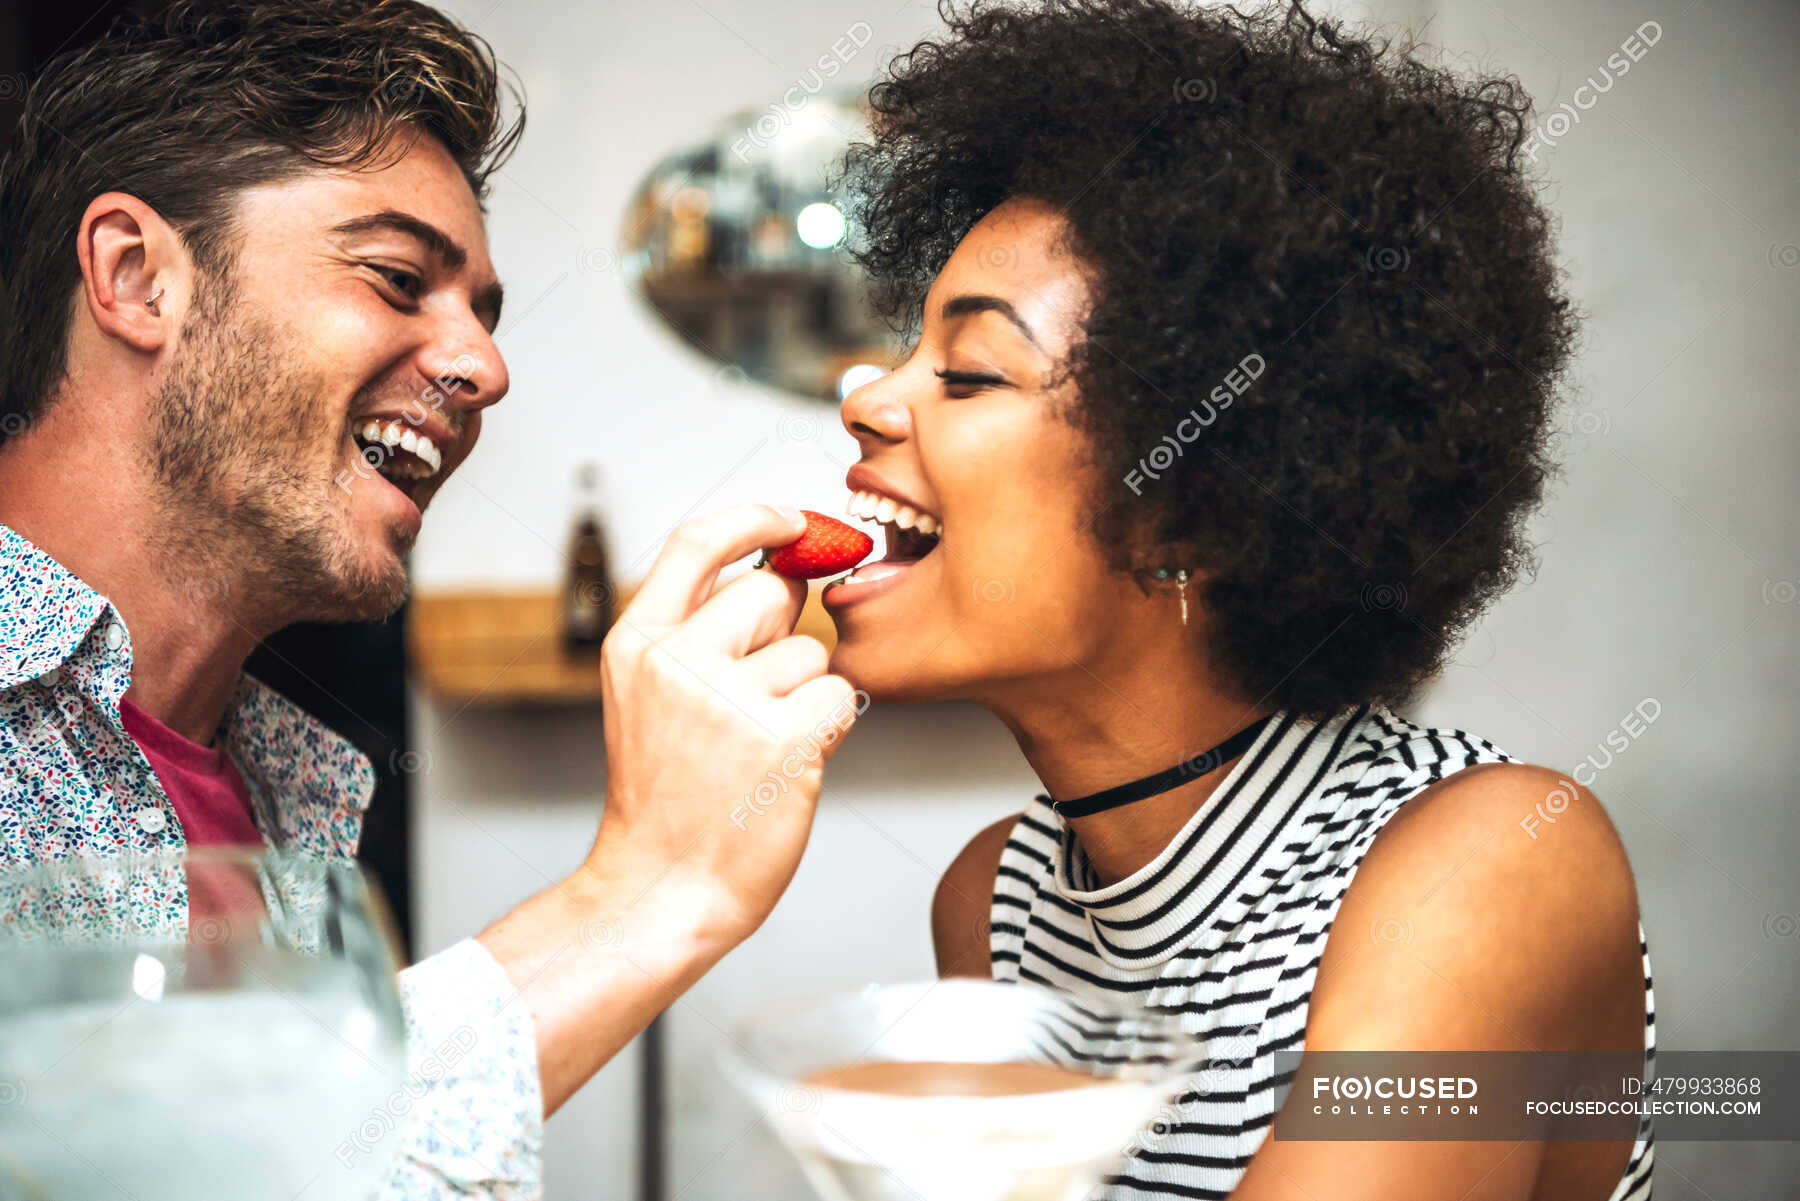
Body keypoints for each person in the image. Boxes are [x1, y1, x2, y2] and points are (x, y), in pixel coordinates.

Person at [0, 2, 856, 1196]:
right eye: (398, 279)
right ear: (138, 277)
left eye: (483, 312)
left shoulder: (295, 785)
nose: (486, 368)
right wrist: (649, 885)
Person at [821, 2, 1652, 1198]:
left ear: (1193, 512)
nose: (864, 400)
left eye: (967, 371)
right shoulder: (994, 906)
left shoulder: (1492, 859)